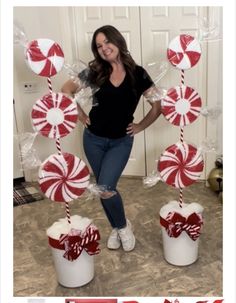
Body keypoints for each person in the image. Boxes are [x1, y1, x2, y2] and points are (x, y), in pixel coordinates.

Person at [62, 25, 162, 252]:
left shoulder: (139, 74)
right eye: (99, 45)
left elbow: (157, 106)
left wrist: (140, 126)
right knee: (102, 188)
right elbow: (65, 90)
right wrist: (81, 115)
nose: (104, 48)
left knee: (106, 188)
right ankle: (120, 227)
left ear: (118, 41)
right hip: (93, 139)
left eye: (107, 42)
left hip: (120, 141)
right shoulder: (95, 72)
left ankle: (123, 226)